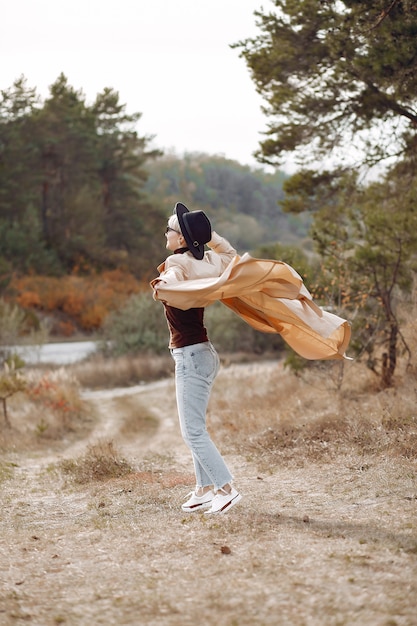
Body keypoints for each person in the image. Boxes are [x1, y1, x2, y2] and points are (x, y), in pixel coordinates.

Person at [150, 202, 242, 515]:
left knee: (192, 431)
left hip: (191, 355)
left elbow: (173, 276)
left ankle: (225, 488)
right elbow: (230, 256)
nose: (166, 233)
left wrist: (164, 284)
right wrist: (206, 237)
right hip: (201, 353)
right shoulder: (207, 261)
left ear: (180, 240)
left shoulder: (178, 262)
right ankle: (204, 489)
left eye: (170, 229)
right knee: (195, 427)